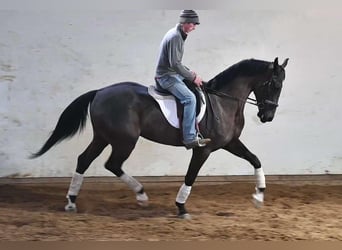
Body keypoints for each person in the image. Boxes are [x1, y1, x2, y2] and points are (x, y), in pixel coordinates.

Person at [155, 10, 211, 149]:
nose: (194, 27)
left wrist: (189, 73)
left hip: (173, 73)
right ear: (185, 22)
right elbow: (175, 64)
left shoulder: (178, 33)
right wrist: (192, 76)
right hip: (166, 76)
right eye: (193, 24)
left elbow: (176, 62)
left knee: (197, 87)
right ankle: (190, 137)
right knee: (190, 99)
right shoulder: (175, 37)